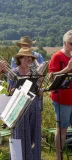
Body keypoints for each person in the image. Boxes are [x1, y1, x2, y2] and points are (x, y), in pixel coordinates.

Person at [8, 48, 41, 160]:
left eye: (30, 57)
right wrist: (22, 84)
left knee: (34, 132)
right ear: (19, 59)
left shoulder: (34, 72)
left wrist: (39, 85)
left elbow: (38, 90)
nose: (28, 59)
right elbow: (10, 90)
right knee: (20, 134)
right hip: (19, 106)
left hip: (33, 105)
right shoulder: (14, 73)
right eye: (26, 57)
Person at [48, 30, 72, 160]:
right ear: (65, 43)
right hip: (61, 99)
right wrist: (67, 68)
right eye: (71, 44)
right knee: (62, 129)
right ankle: (59, 157)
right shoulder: (57, 57)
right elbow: (52, 77)